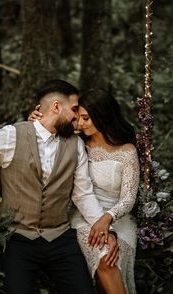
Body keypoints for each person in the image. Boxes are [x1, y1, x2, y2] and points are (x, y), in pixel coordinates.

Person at [0, 80, 119, 294]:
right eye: (74, 109)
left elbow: (83, 195)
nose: (76, 116)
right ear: (56, 107)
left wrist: (105, 229)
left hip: (60, 237)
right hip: (18, 238)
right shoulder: (10, 136)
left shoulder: (76, 145)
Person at [30, 88, 140, 294]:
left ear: (102, 116)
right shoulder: (77, 143)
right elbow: (45, 141)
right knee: (105, 258)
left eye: (86, 118)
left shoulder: (127, 151)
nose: (80, 124)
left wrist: (108, 218)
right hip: (83, 215)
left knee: (111, 260)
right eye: (78, 118)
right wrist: (35, 122)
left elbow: (128, 198)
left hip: (119, 217)